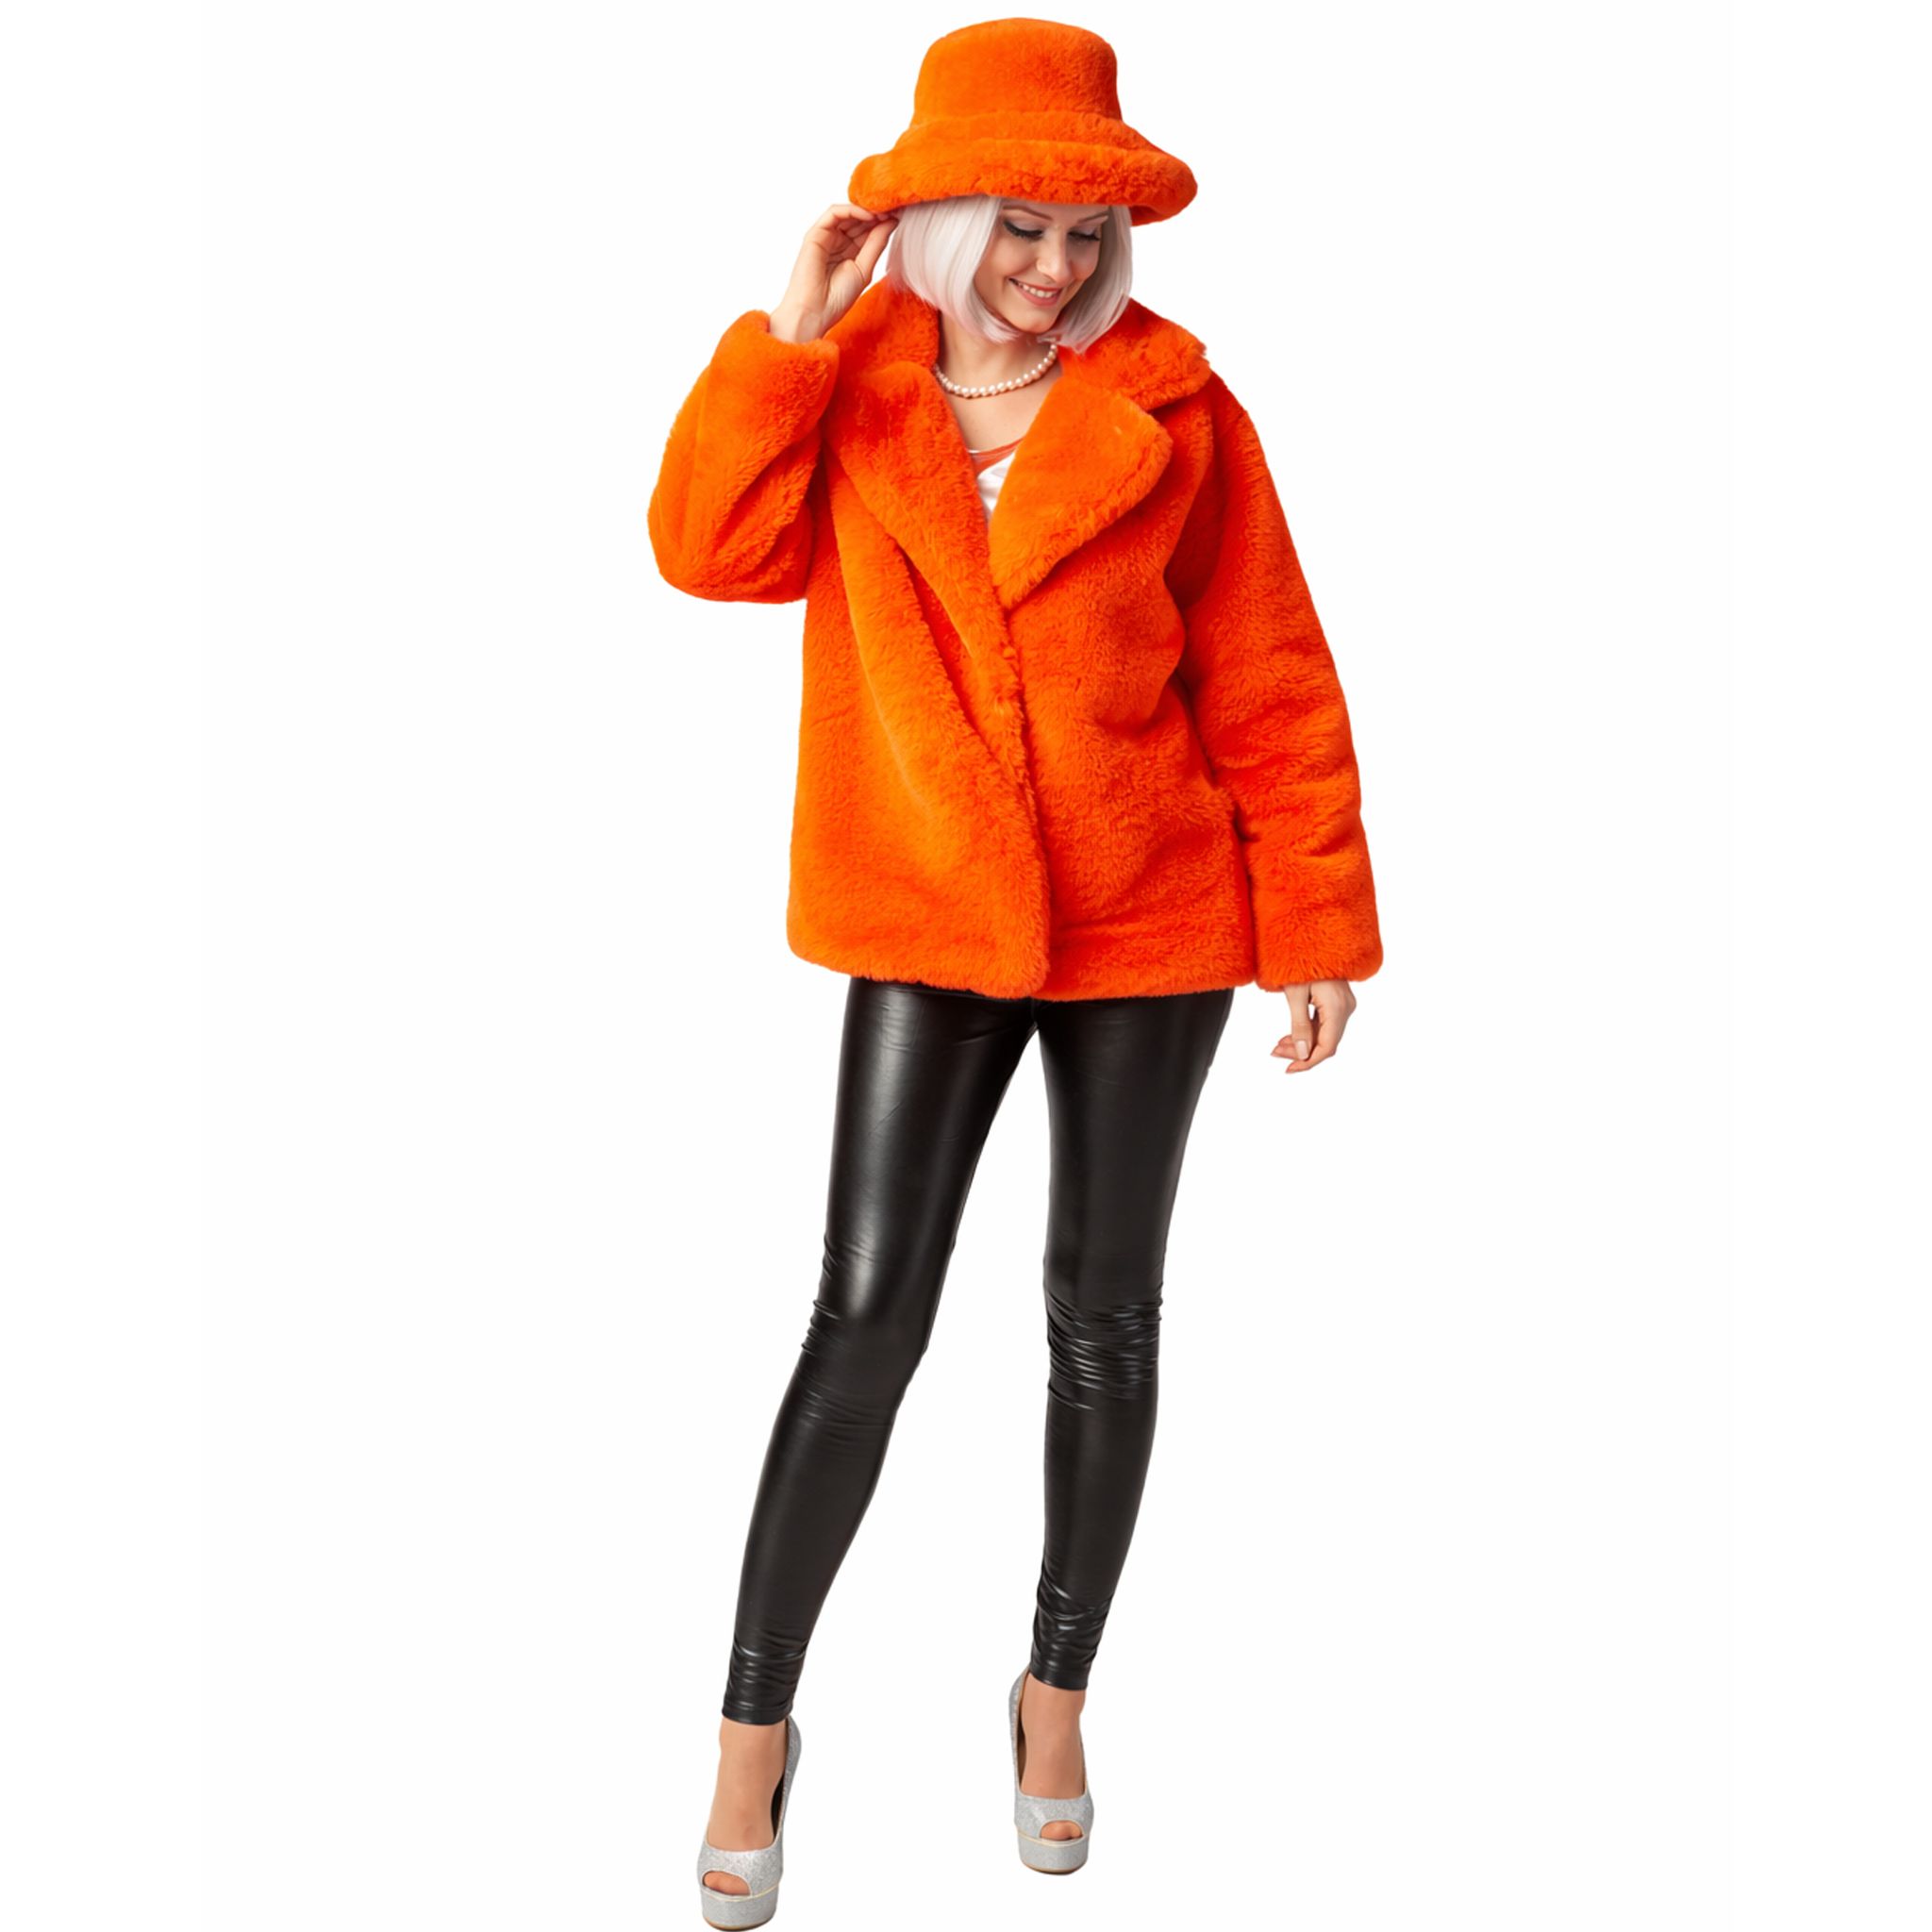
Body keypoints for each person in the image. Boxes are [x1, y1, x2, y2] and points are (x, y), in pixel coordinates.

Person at [647, 20, 1384, 1924]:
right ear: (946, 219)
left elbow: (1271, 672)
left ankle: (1053, 1697)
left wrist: (1312, 922)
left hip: (1153, 915)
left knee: (1103, 1318)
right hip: (924, 909)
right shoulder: (848, 382)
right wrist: (785, 333)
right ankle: (751, 1727)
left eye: (1082, 237)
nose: (1053, 269)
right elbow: (705, 554)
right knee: (863, 1316)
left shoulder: (1179, 407)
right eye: (1020, 230)